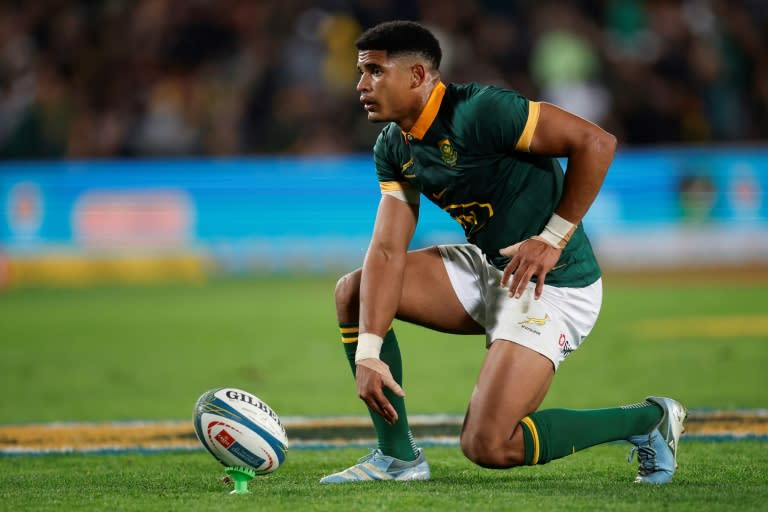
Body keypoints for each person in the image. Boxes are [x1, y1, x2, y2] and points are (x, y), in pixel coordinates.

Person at [320, 20, 687, 485]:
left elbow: (596, 142)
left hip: (554, 286)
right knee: (354, 291)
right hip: (494, 268)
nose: (361, 85)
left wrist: (551, 237)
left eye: (374, 71)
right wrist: (369, 351)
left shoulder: (481, 110)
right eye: (361, 72)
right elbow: (388, 251)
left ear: (416, 76)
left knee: (489, 444)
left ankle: (648, 420)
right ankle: (398, 459)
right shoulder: (394, 146)